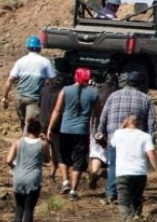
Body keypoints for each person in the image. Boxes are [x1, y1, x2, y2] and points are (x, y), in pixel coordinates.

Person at [98, 71, 157, 205]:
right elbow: (151, 123)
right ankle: (131, 194)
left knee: (113, 165)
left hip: (114, 137)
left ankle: (111, 194)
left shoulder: (113, 96)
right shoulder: (145, 98)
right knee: (133, 164)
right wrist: (151, 141)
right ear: (140, 84)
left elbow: (104, 116)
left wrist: (100, 133)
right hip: (136, 139)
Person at [47, 67, 98, 200]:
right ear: (88, 78)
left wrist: (50, 128)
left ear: (75, 77)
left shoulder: (65, 90)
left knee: (63, 157)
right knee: (78, 161)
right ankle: (73, 191)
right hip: (82, 132)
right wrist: (97, 129)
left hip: (65, 129)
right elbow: (98, 113)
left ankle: (65, 181)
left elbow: (57, 111)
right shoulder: (93, 93)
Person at [111, 115, 157, 220]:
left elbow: (113, 144)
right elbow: (151, 156)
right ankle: (137, 220)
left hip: (123, 173)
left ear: (127, 122)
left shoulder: (118, 133)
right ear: (139, 123)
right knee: (137, 199)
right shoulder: (145, 136)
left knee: (124, 201)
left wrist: (122, 126)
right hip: (140, 173)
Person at [3, 36, 56, 131]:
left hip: (19, 98)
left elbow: (10, 79)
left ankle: (24, 141)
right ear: (39, 48)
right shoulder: (45, 62)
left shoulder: (20, 61)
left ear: (28, 47)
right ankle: (27, 143)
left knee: (23, 123)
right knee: (30, 125)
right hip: (34, 99)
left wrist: (5, 97)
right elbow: (53, 81)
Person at [6, 119, 50, 222]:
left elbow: (8, 160)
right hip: (33, 179)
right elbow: (47, 160)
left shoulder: (18, 142)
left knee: (19, 205)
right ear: (39, 131)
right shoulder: (42, 144)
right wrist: (47, 142)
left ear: (27, 130)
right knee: (29, 207)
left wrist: (14, 167)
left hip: (18, 177)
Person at [89, 73, 119, 190]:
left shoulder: (98, 92)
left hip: (96, 127)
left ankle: (94, 172)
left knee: (97, 153)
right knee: (113, 155)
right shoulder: (117, 94)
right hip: (112, 128)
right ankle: (111, 184)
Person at [38, 74, 65, 180]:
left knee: (40, 147)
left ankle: (38, 169)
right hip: (56, 124)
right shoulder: (62, 92)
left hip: (43, 121)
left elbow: (39, 104)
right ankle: (52, 174)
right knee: (56, 150)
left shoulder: (44, 90)